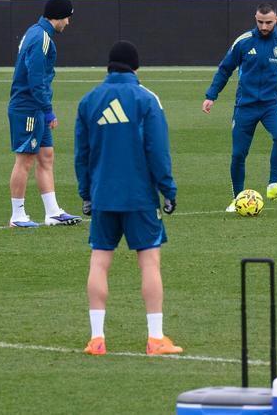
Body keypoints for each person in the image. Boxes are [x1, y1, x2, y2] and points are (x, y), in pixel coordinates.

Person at [75, 41, 183, 357]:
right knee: (149, 261)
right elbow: (157, 150)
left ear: (108, 67)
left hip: (103, 195)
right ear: (136, 67)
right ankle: (155, 338)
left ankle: (97, 338)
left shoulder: (89, 101)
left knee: (99, 261)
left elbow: (82, 154)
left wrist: (86, 193)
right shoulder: (146, 99)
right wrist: (168, 190)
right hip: (139, 197)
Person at [203, 3, 277, 211]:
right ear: (255, 19)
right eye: (260, 22)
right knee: (238, 154)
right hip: (245, 106)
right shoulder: (243, 42)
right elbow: (225, 69)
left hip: (271, 105)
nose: (264, 26)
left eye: (268, 22)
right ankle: (237, 199)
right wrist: (211, 95)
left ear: (276, 20)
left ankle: (274, 185)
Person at [7, 0, 81, 228]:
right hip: (28, 107)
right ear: (57, 17)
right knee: (25, 159)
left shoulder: (35, 32)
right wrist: (48, 110)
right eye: (67, 18)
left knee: (46, 155)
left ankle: (52, 212)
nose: (68, 23)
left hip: (35, 106)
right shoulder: (42, 38)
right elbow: (36, 79)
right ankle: (17, 216)